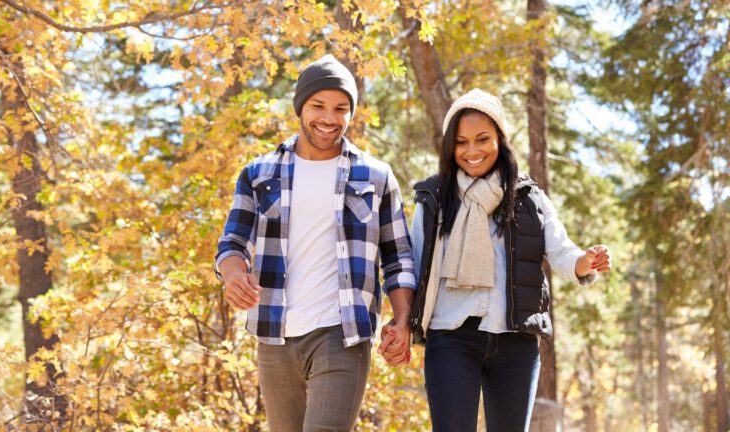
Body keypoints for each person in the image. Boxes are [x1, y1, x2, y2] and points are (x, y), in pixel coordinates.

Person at [384, 88, 613, 431]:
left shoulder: (528, 197)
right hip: (451, 338)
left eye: (482, 139)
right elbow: (415, 268)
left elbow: (563, 252)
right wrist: (402, 324)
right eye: (461, 142)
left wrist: (587, 261)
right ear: (450, 147)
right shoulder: (434, 198)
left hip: (515, 343)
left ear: (500, 140)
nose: (472, 151)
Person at [215, 54, 415, 432]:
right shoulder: (259, 173)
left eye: (341, 108)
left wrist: (402, 321)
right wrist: (233, 275)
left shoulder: (376, 176)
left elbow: (398, 257)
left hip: (341, 334)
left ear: (351, 114)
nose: (329, 118)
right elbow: (232, 243)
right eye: (318, 106)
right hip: (274, 335)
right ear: (300, 107)